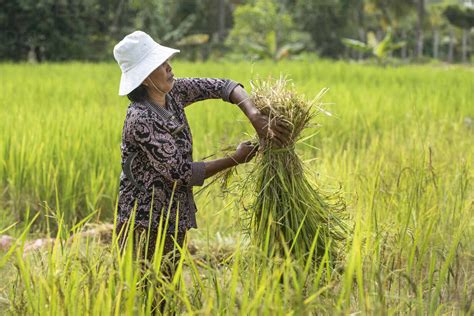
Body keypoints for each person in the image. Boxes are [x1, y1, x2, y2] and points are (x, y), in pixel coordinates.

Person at [112, 30, 291, 311]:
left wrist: (255, 115)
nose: (169, 67)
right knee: (143, 297)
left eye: (166, 60)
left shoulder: (174, 93)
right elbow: (181, 172)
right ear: (146, 77)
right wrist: (236, 159)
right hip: (142, 222)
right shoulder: (140, 119)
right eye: (161, 64)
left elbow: (224, 86)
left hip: (173, 215)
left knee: (165, 293)